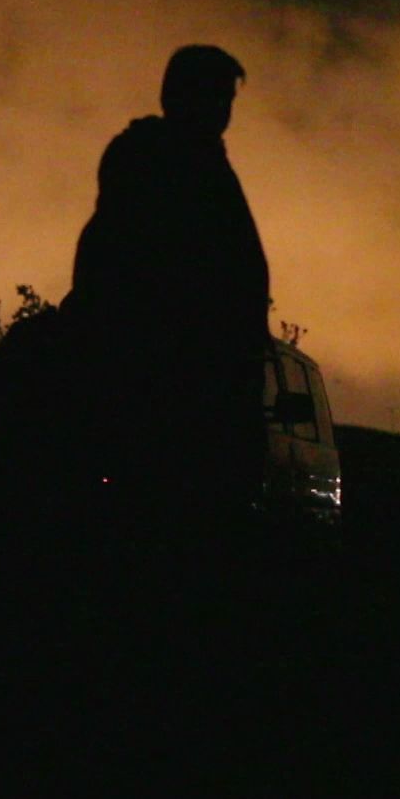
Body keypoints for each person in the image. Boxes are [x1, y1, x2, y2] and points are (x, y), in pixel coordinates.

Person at [66, 45, 272, 527]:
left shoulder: (190, 162)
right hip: (175, 389)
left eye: (229, 99)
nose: (225, 110)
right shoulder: (170, 163)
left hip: (193, 386)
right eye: (218, 96)